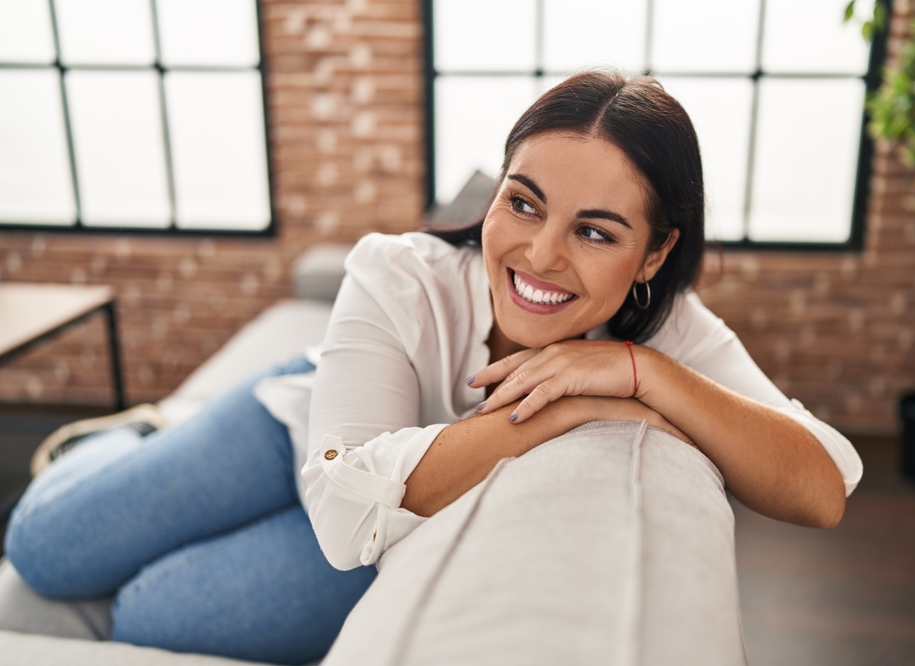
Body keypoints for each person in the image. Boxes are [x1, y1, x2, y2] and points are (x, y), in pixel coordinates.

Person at [4, 71, 862, 664]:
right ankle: (148, 430)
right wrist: (559, 408)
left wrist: (642, 375)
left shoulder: (669, 330)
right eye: (522, 202)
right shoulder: (400, 271)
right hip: (303, 421)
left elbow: (821, 487)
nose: (539, 253)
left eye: (596, 231)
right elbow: (344, 491)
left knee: (152, 611)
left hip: (385, 517)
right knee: (44, 548)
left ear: (655, 252)